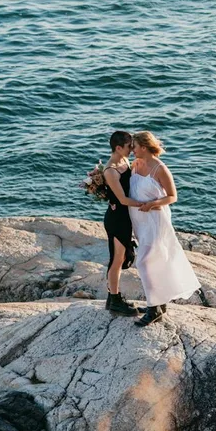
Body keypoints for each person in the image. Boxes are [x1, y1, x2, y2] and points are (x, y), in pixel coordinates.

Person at [128, 131, 200, 326]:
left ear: (143, 147)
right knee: (155, 261)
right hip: (139, 221)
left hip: (155, 219)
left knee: (145, 262)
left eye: (134, 146)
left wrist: (152, 204)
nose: (132, 150)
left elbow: (172, 196)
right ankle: (159, 303)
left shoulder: (159, 168)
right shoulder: (135, 165)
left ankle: (153, 310)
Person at [102, 131, 141, 316]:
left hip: (126, 217)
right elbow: (123, 199)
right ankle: (115, 300)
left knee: (123, 257)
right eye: (128, 147)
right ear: (118, 148)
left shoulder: (124, 162)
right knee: (117, 259)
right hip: (117, 218)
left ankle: (112, 298)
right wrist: (148, 204)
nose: (132, 149)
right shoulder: (111, 170)